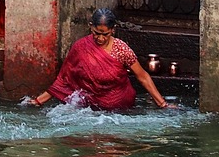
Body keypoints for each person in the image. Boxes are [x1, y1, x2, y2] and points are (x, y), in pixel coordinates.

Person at [30, 8, 173, 112]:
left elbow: (142, 76)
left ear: (112, 30)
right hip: (89, 108)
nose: (100, 38)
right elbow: (64, 78)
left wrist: (162, 104)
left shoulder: (121, 49)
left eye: (105, 34)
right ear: (91, 27)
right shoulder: (80, 47)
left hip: (119, 108)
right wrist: (39, 101)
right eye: (96, 33)